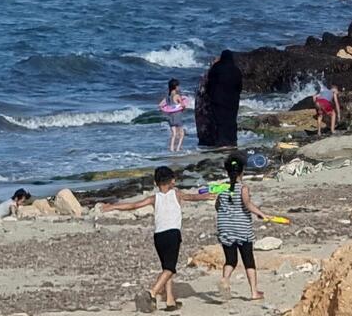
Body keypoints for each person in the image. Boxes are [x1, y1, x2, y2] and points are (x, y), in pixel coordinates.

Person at [102, 167, 211, 312]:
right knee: (170, 269)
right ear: (172, 181)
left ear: (156, 182)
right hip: (172, 234)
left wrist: (112, 207)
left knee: (166, 267)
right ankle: (152, 292)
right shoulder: (176, 193)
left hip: (159, 236)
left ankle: (170, 301)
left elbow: (133, 205)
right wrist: (209, 196)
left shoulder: (154, 198)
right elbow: (193, 197)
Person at [215, 153, 269, 301]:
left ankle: (225, 280)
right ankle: (254, 292)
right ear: (242, 171)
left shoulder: (221, 188)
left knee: (230, 260)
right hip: (242, 229)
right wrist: (261, 214)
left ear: (227, 172)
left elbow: (217, 206)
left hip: (225, 228)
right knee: (248, 260)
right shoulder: (243, 188)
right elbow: (247, 204)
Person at [206, 50, 242, 147]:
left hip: (217, 99)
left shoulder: (216, 68)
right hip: (232, 100)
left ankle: (220, 141)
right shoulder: (236, 70)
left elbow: (210, 82)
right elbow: (239, 86)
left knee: (219, 121)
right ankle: (232, 141)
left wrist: (209, 95)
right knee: (231, 120)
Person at [161, 78, 186, 152]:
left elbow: (160, 105)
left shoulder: (167, 96)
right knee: (182, 134)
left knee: (174, 134)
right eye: (178, 86)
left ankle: (171, 149)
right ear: (176, 87)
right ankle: (178, 148)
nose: (179, 87)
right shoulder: (177, 96)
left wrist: (165, 110)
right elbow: (183, 105)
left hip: (170, 116)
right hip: (177, 116)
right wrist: (183, 109)